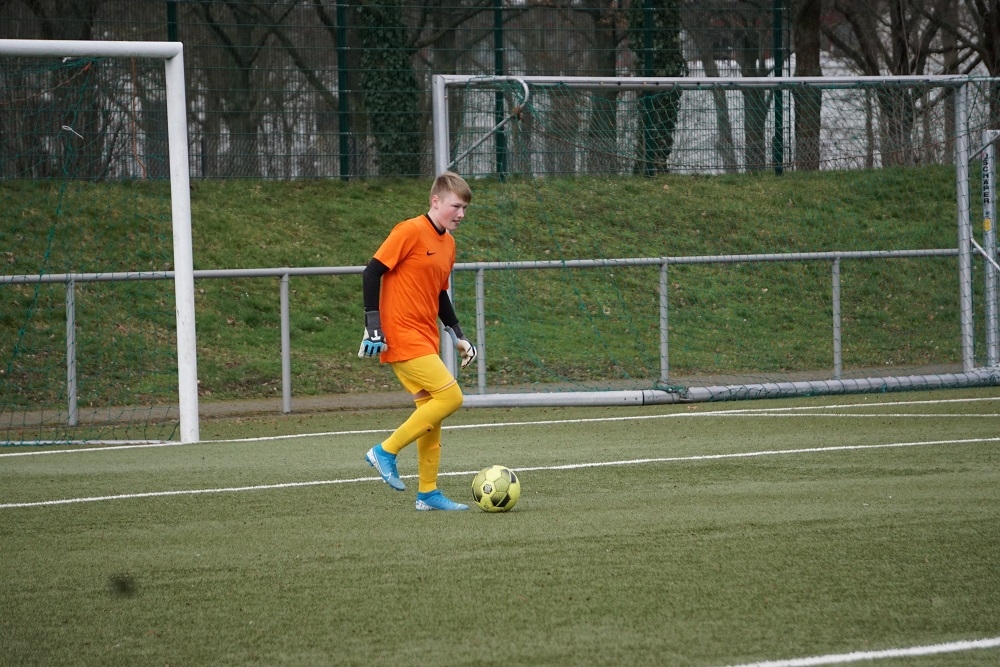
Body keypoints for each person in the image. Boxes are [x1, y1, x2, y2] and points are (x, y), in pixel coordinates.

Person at [358, 171, 478, 511]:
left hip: (426, 337)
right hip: (400, 335)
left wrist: (458, 335)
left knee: (430, 415)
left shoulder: (449, 244)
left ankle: (427, 494)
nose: (461, 214)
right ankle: (384, 451)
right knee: (451, 396)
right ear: (435, 201)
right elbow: (371, 272)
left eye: (465, 208)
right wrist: (373, 324)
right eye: (456, 206)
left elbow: (439, 294)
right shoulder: (409, 231)